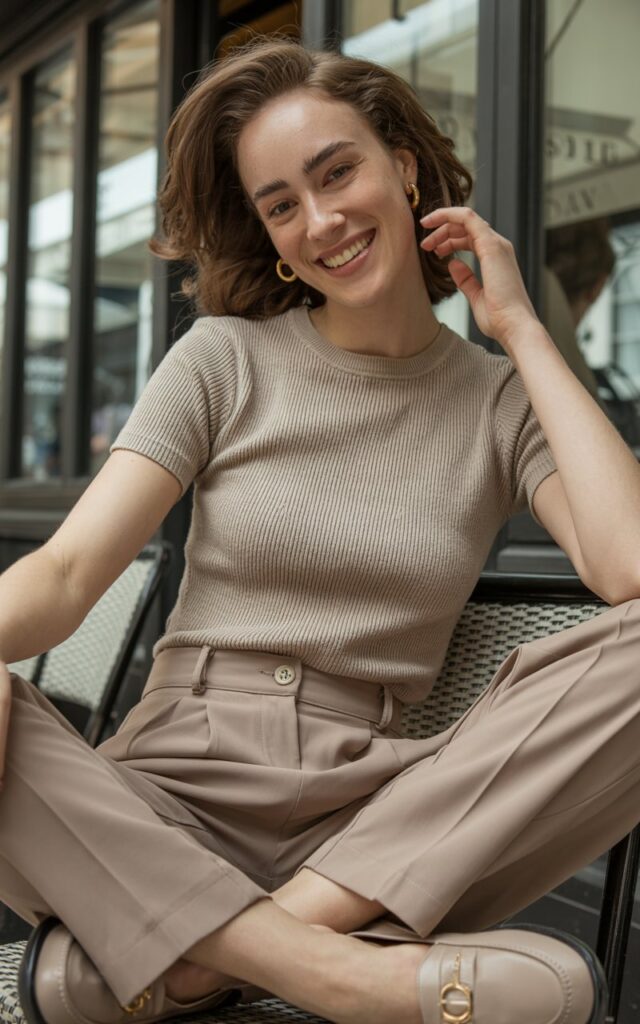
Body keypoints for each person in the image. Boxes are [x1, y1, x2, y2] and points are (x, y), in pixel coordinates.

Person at [1, 33, 640, 1024]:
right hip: (159, 804)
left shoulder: (497, 402)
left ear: (405, 166)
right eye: (281, 204)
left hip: (371, 827)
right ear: (266, 235)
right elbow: (67, 571)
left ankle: (197, 958)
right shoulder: (222, 359)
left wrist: (518, 327)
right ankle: (337, 973)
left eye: (336, 171)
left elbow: (627, 565)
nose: (320, 220)